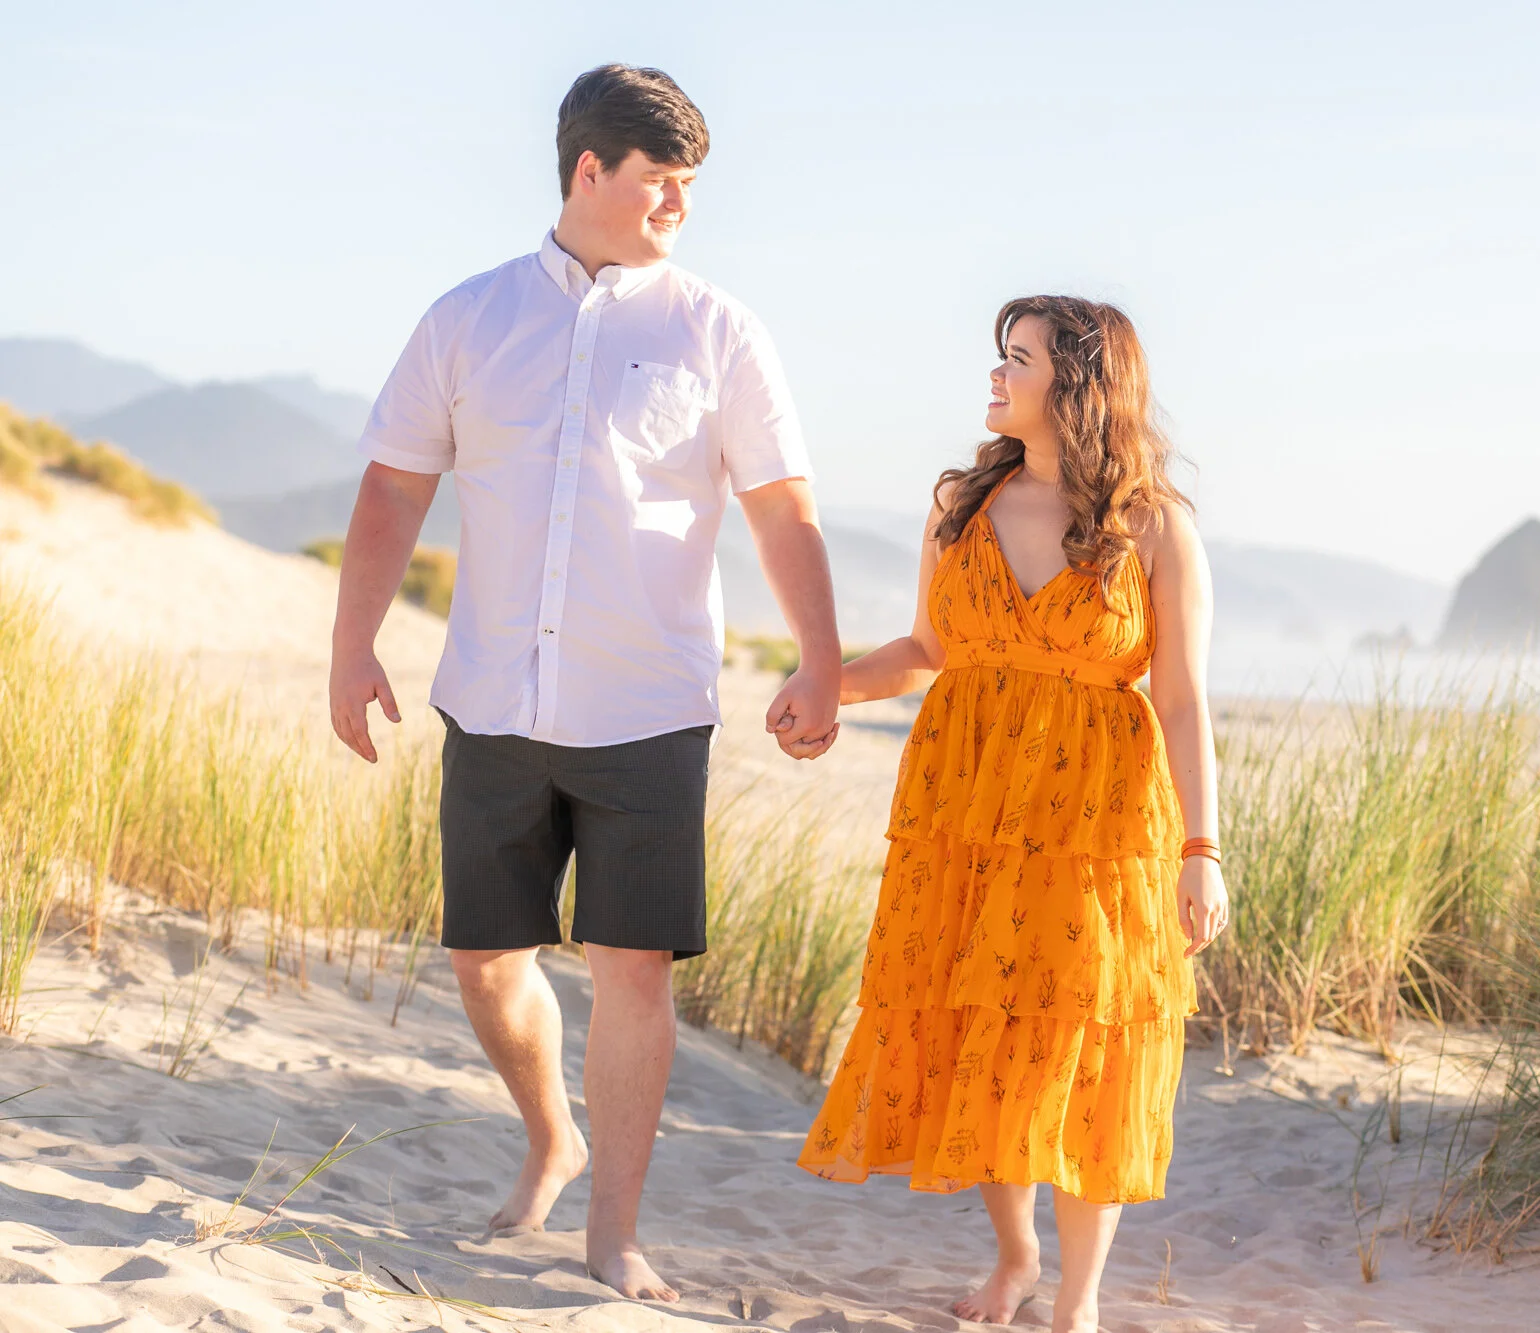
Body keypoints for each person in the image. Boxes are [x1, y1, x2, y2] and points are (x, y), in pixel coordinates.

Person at [328, 64, 840, 1303]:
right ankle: (548, 1131)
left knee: (631, 970)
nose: (678, 203)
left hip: (650, 705)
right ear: (586, 172)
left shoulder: (719, 331)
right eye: (659, 180)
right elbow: (395, 488)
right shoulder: (469, 317)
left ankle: (613, 1228)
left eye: (690, 185)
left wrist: (820, 654)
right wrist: (351, 643)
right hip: (495, 698)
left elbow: (780, 510)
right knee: (483, 962)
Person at [797, 296, 1229, 1331]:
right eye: (999, 356)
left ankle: (1075, 1301)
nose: (995, 376)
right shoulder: (958, 504)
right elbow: (924, 653)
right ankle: (1016, 1256)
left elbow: (1180, 700)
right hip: (967, 816)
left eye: (1017, 359)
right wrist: (824, 688)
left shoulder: (1156, 526)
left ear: (1076, 384)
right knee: (978, 1029)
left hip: (1100, 828)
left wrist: (1201, 849)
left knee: (1082, 1044)